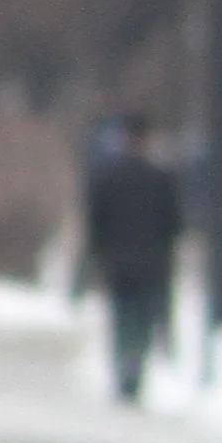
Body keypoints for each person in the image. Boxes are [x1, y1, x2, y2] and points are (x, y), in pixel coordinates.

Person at [82, 111, 191, 400]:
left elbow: (97, 220)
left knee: (122, 316)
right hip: (150, 262)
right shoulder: (161, 178)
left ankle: (124, 365)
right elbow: (174, 224)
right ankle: (135, 366)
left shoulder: (108, 176)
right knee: (143, 318)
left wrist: (99, 252)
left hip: (118, 261)